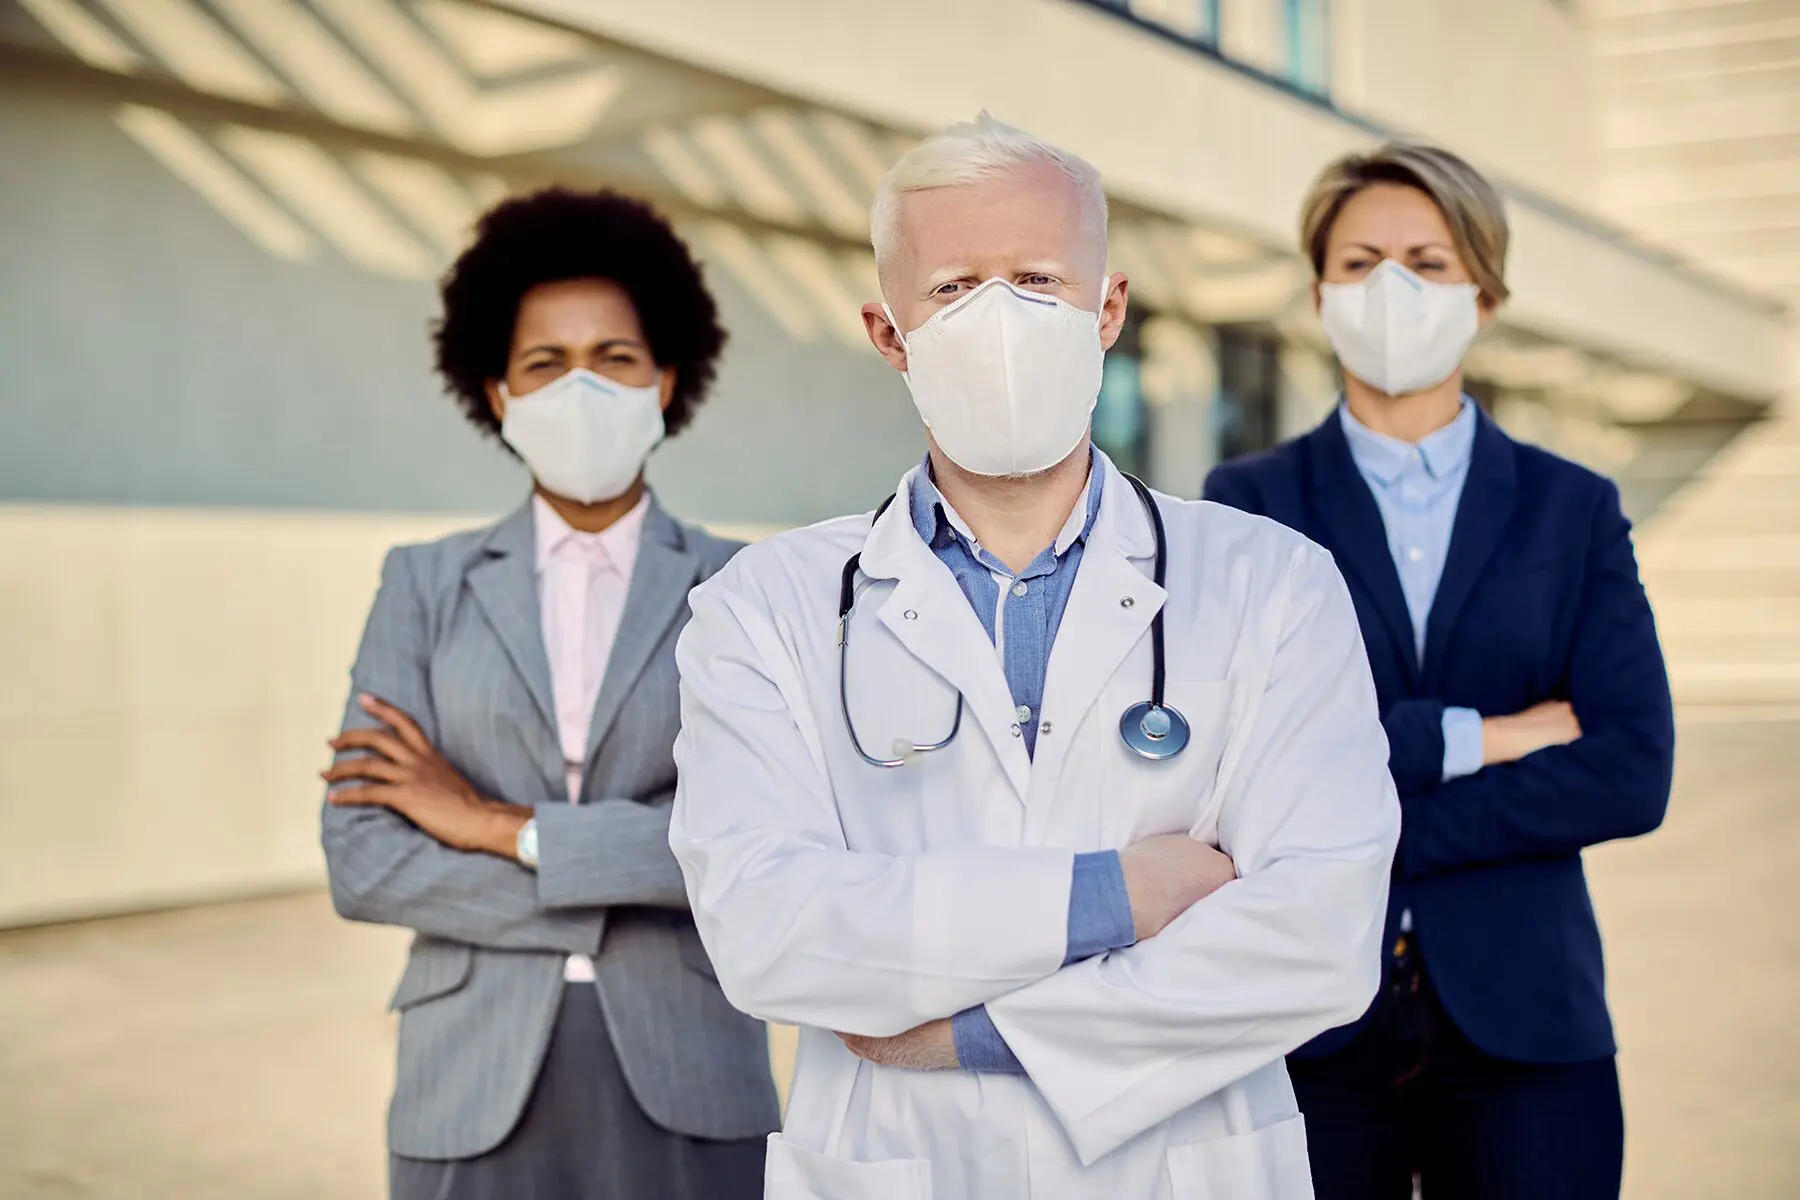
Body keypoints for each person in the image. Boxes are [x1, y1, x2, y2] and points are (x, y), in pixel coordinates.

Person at [668, 114, 1400, 1199]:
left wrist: (968, 1034)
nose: (1000, 321)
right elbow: (769, 931)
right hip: (902, 1163)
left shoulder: (1271, 584)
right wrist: (1115, 895)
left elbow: (1319, 933)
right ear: (887, 332)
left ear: (1108, 310)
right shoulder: (762, 610)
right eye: (955, 289)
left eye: (1039, 281)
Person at [1203, 144, 1675, 1200]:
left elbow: (1631, 770)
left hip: (1529, 1029)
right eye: (1362, 262)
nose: (1393, 290)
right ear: (1321, 294)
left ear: (1486, 294)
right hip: (1306, 1026)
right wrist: (1486, 736)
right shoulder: (1248, 506)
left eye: (1427, 260)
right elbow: (1237, 768)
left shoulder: (1573, 506)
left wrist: (1363, 817)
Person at [319, 187, 778, 1200]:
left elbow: (751, 838)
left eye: (614, 358)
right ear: (497, 393)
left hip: (689, 1067)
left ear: (665, 377)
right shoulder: (423, 584)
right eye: (545, 363)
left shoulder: (742, 589)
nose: (582, 387)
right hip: (468, 1076)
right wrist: (622, 894)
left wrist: (494, 825)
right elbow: (363, 861)